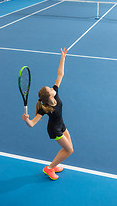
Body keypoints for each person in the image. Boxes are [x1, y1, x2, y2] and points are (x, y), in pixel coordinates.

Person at [22, 48, 73, 180]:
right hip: (55, 131)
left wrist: (63, 58)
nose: (52, 88)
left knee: (69, 149)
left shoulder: (55, 93)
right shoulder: (44, 108)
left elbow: (60, 75)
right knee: (69, 151)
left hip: (62, 125)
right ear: (49, 97)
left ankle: (54, 165)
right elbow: (32, 124)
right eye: (50, 89)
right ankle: (49, 168)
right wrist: (26, 119)